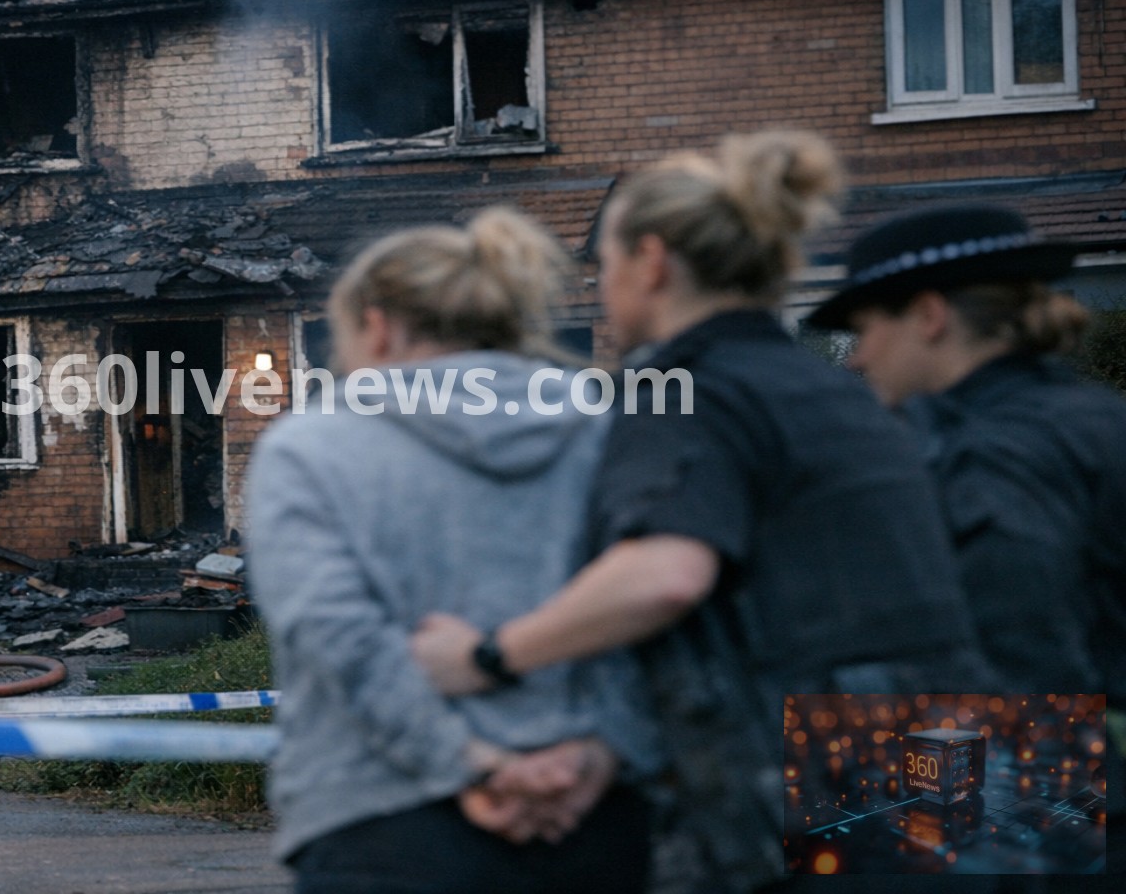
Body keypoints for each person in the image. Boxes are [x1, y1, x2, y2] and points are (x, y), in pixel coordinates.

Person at [410, 132, 992, 892]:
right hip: (959, 750)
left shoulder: (685, 388)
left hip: (818, 777)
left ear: (652, 261)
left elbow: (666, 575)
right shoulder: (841, 393)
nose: (605, 284)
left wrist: (490, 654)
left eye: (608, 263)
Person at [247, 208, 662, 893]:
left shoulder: (311, 447)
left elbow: (339, 639)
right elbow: (653, 609)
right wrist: (598, 752)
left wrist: (473, 764)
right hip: (591, 811)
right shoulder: (610, 427)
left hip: (377, 821)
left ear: (376, 325)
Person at [810, 203, 1126, 880]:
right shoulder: (1101, 420)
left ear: (928, 316)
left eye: (866, 329)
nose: (859, 355)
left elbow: (1007, 671)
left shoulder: (984, 456)